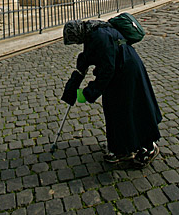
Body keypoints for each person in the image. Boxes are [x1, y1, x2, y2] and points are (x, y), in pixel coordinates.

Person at [62, 19, 162, 167]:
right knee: (114, 110)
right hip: (119, 72)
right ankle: (122, 149)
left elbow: (107, 70)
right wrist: (76, 79)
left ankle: (149, 147)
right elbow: (89, 57)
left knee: (133, 109)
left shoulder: (99, 36)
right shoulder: (92, 31)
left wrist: (90, 92)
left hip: (128, 72)